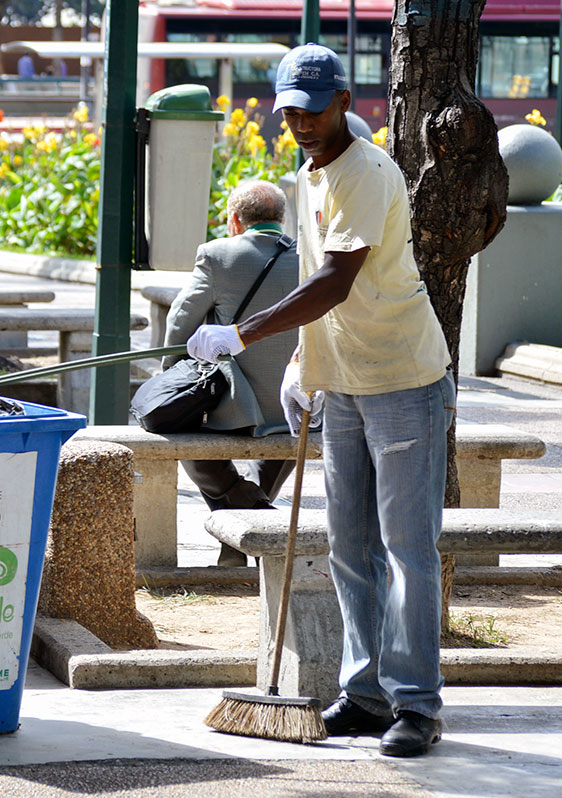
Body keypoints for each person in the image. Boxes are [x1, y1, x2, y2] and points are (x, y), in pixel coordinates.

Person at [185, 44, 455, 758]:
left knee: (406, 550)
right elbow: (317, 280)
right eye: (289, 111)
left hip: (402, 378)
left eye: (311, 108)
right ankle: (364, 694)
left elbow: (335, 280)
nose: (299, 123)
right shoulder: (308, 175)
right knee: (349, 549)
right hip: (343, 381)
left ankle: (416, 708)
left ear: (343, 102)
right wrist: (306, 358)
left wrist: (241, 336)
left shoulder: (365, 171)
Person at [161, 179, 299, 567]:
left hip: (235, 404)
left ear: (235, 220)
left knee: (183, 435)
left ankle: (242, 515)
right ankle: (248, 522)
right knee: (284, 432)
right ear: (281, 219)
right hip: (298, 401)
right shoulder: (312, 258)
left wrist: (168, 376)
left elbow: (180, 323)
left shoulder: (217, 254)